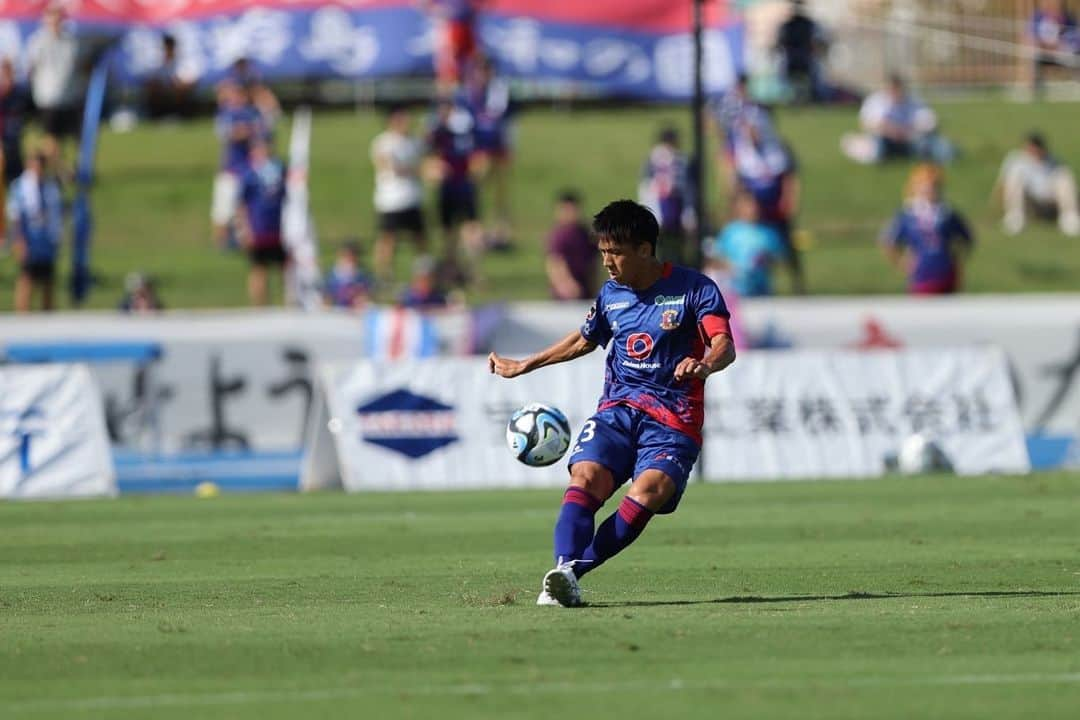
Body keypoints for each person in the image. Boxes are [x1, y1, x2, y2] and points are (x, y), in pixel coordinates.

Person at [488, 199, 736, 608]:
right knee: (585, 477)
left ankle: (570, 573)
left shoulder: (694, 289)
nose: (607, 261)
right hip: (618, 411)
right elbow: (585, 338)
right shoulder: (611, 295)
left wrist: (705, 364)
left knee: (649, 491)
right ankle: (562, 572)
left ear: (645, 249)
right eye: (603, 252)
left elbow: (724, 344)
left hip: (674, 421)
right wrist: (526, 364)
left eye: (615, 252)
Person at [730, 108, 804, 294]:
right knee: (756, 250)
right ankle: (757, 286)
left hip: (776, 208)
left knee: (787, 246)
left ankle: (798, 285)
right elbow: (740, 183)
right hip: (755, 211)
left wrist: (789, 200)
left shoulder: (777, 149)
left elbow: (788, 176)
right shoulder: (743, 152)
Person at [879, 164, 973, 295]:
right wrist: (903, 263)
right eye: (926, 185)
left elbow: (967, 239)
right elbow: (887, 241)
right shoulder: (907, 213)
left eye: (934, 186)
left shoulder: (947, 213)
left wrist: (957, 261)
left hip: (947, 273)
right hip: (923, 275)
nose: (930, 190)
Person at [427, 97, 483, 285]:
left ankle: (472, 271)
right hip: (448, 189)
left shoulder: (463, 130)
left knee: (470, 231)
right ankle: (451, 270)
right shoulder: (437, 133)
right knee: (448, 234)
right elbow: (430, 161)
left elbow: (477, 156)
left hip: (464, 186)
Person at [461, 57, 515, 249]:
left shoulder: (499, 90)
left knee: (499, 192)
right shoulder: (468, 93)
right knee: (475, 190)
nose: (483, 75)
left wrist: (509, 147)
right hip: (478, 148)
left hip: (497, 146)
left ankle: (500, 232)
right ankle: (473, 232)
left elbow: (502, 119)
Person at [842, 75, 952, 165]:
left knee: (935, 147)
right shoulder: (876, 101)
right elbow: (867, 124)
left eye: (898, 89)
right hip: (885, 140)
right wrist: (892, 131)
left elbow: (931, 122)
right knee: (878, 150)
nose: (895, 93)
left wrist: (908, 131)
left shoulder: (914, 102)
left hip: (911, 140)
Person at [371, 105, 426, 282]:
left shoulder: (414, 142)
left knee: (420, 239)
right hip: (391, 200)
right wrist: (419, 171)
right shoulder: (383, 142)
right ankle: (383, 275)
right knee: (388, 239)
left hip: (413, 198)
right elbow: (389, 166)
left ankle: (423, 274)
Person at [6, 150, 63, 312]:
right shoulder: (20, 187)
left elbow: (55, 215)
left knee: (48, 280)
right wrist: (19, 240)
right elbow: (16, 215)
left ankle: (48, 317)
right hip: (30, 237)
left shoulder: (50, 187)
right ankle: (22, 317)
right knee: (27, 278)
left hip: (46, 239)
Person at [26, 3, 83, 164]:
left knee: (77, 138)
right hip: (48, 98)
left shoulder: (71, 42)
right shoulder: (37, 42)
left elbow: (77, 67)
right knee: (51, 140)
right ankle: (56, 169)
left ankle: (73, 168)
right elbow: (31, 68)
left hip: (68, 97)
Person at [705, 190, 787, 298]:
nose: (751, 210)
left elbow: (779, 257)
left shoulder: (769, 233)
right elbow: (717, 257)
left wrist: (766, 260)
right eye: (747, 206)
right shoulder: (730, 232)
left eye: (754, 206)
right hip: (736, 291)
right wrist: (732, 268)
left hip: (762, 289)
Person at [996, 132, 1080, 237]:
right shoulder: (1016, 160)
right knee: (1014, 178)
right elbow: (1003, 185)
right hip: (1029, 202)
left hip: (1050, 202)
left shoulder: (1054, 161)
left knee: (1063, 177)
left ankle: (1069, 218)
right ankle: (1015, 217)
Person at [211, 80, 263, 249]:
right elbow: (228, 134)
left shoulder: (252, 113)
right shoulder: (226, 114)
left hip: (250, 170)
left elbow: (261, 134)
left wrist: (245, 131)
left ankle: (244, 242)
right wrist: (244, 131)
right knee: (222, 212)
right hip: (231, 170)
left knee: (246, 210)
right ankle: (220, 243)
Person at [237, 138, 288, 306]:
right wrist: (244, 230)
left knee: (286, 268)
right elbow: (241, 204)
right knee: (259, 268)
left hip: (280, 227)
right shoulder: (249, 173)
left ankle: (289, 303)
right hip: (258, 228)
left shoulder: (280, 169)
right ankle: (260, 306)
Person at [638, 126, 695, 264]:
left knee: (674, 248)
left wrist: (688, 213)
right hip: (663, 209)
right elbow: (647, 188)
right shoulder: (655, 161)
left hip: (673, 210)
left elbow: (687, 188)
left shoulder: (680, 161)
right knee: (662, 248)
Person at [545, 190, 598, 301]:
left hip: (586, 291)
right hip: (565, 295)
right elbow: (555, 262)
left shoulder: (585, 234)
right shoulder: (559, 235)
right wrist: (567, 285)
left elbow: (594, 264)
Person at [775, 0, 830, 103]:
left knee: (817, 71)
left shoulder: (810, 25)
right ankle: (786, 97)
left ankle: (816, 96)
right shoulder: (787, 25)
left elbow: (819, 43)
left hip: (806, 58)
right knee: (781, 68)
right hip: (791, 57)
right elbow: (779, 44)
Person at [423, 0, 480, 89]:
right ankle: (446, 99)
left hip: (468, 26)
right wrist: (440, 12)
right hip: (450, 26)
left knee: (472, 64)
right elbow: (423, 4)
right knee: (449, 66)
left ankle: (470, 97)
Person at [1029, 0, 1079, 96]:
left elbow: (1076, 38)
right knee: (1035, 57)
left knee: (1076, 57)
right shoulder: (1039, 17)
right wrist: (1048, 47)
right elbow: (1031, 38)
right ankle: (1035, 90)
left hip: (1066, 53)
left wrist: (1064, 46)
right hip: (1046, 54)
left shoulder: (1069, 18)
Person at [144, 33, 197, 120]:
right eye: (165, 48)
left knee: (180, 89)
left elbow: (191, 81)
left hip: (180, 95)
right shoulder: (156, 63)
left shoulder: (184, 62)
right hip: (163, 94)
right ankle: (158, 116)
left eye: (170, 47)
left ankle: (180, 115)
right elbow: (150, 80)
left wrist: (177, 83)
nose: (167, 50)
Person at [324, 240, 373, 309]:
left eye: (351, 255)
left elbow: (366, 295)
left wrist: (362, 299)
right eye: (346, 255)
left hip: (354, 314)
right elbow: (326, 298)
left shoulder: (362, 276)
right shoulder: (331, 276)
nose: (349, 258)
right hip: (335, 313)